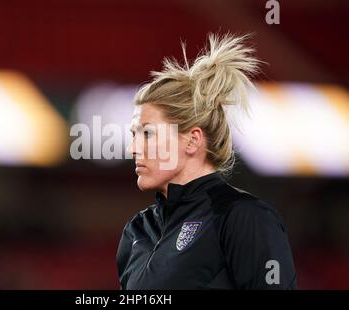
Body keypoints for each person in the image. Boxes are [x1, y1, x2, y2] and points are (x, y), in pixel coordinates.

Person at [116, 33, 297, 289]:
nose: (132, 148)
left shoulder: (245, 218)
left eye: (147, 133)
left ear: (192, 140)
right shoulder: (137, 231)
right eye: (133, 135)